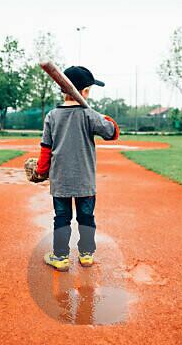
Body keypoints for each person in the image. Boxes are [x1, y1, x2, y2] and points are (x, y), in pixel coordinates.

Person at [34, 66, 119, 272]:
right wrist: (98, 114)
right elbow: (112, 132)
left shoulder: (52, 116)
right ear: (86, 92)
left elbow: (46, 148)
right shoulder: (89, 115)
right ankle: (86, 254)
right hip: (85, 182)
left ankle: (61, 257)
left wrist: (41, 170)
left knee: (61, 218)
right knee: (86, 217)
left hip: (61, 180)